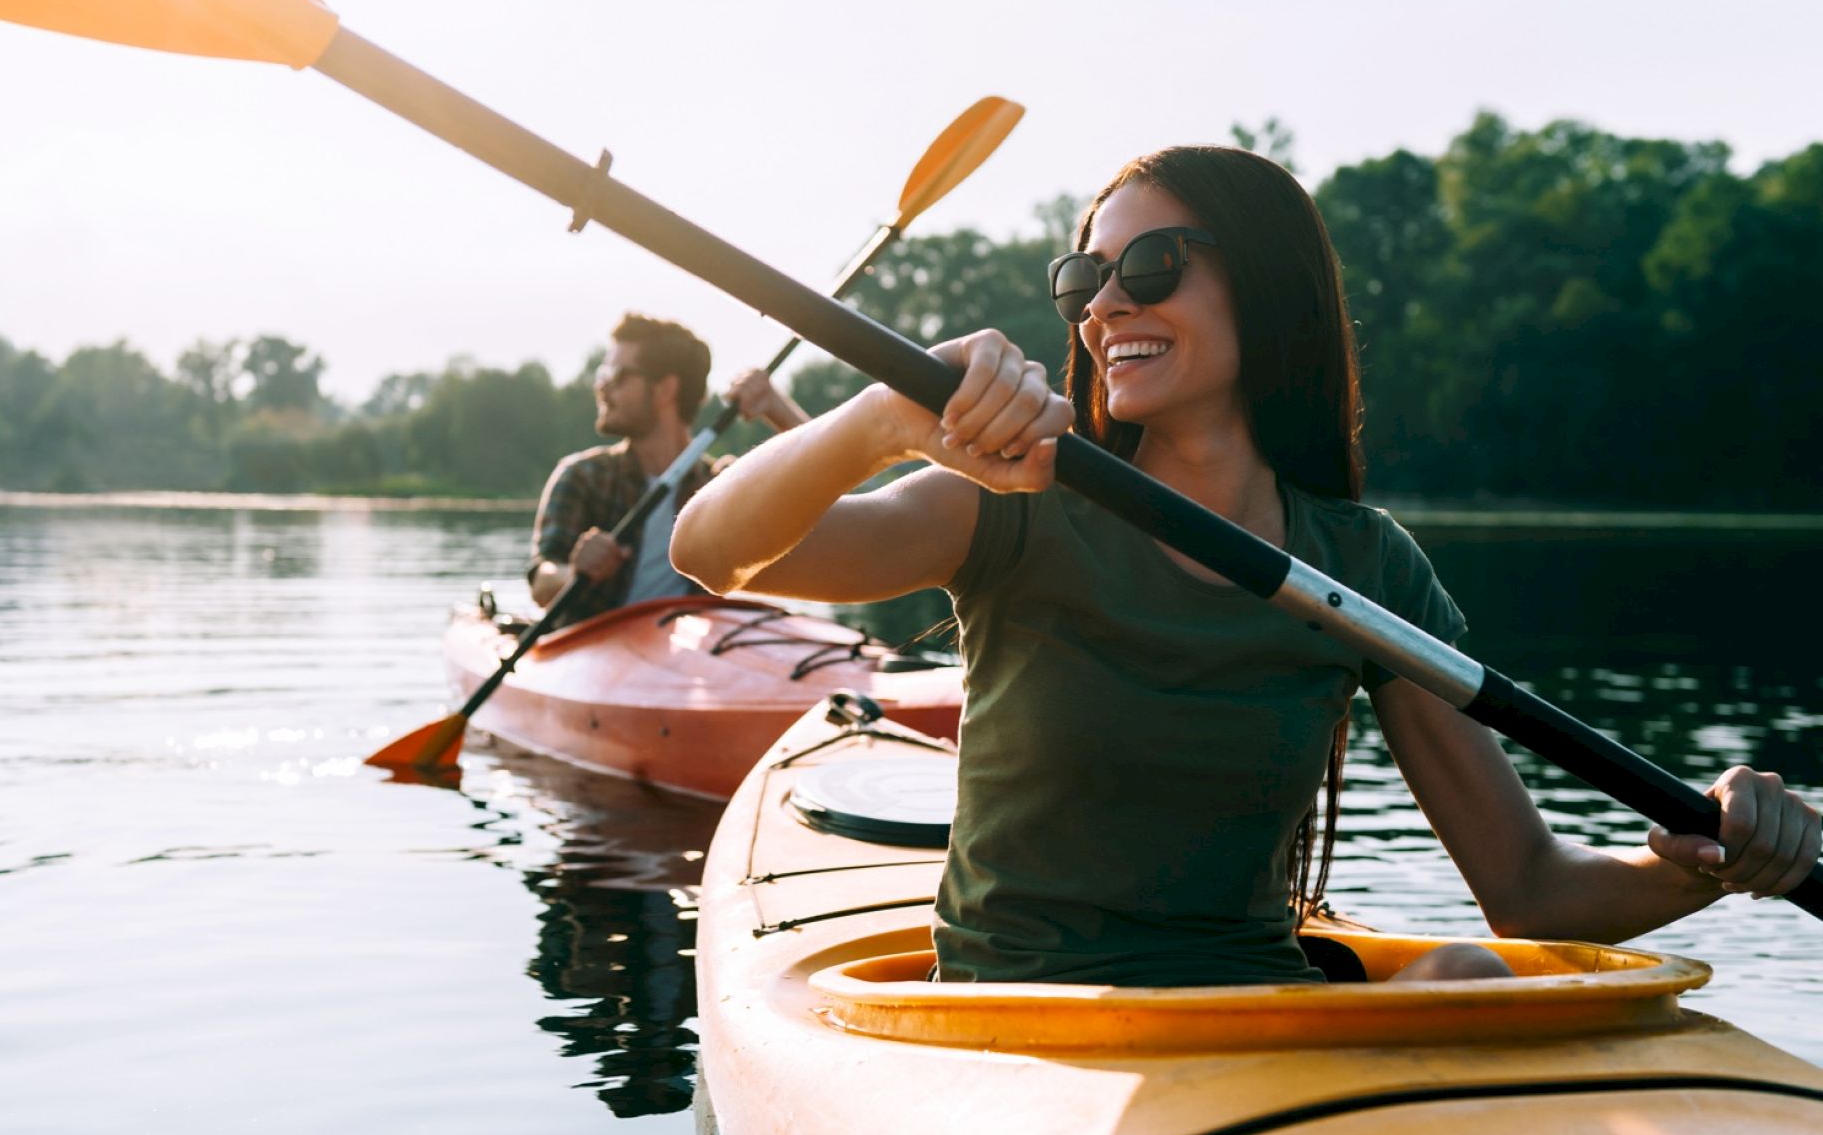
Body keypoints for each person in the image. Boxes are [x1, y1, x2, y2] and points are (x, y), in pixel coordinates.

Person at [670, 146, 1820, 988]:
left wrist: (1708, 856)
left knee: (1465, 969)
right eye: (1084, 282)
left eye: (1153, 264)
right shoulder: (1010, 503)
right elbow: (710, 550)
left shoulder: (1363, 568)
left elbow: (1527, 888)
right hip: (1014, 1026)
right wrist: (881, 416)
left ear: (1264, 285)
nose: (1107, 302)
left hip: (1255, 1017)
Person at [528, 313, 807, 626]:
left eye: (617, 375)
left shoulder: (721, 486)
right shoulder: (582, 476)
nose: (602, 387)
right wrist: (575, 572)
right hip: (589, 652)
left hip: (685, 658)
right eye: (602, 373)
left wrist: (775, 407)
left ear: (665, 390)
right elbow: (542, 583)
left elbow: (824, 483)